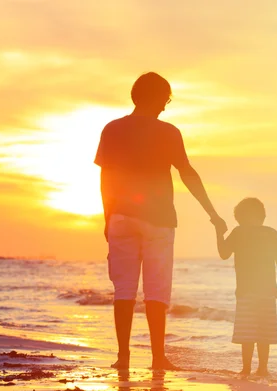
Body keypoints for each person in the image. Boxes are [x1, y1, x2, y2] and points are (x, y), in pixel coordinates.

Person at [94, 72, 227, 370]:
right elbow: (187, 173)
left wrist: (108, 217)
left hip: (121, 217)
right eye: (165, 100)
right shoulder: (168, 132)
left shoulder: (112, 129)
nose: (166, 107)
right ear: (155, 98)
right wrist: (212, 213)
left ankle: (123, 358)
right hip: (159, 219)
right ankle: (157, 358)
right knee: (156, 290)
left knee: (124, 289)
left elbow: (106, 179)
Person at [215, 197, 277, 378]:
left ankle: (247, 368)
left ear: (241, 216)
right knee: (264, 332)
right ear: (261, 215)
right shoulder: (270, 233)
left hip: (248, 291)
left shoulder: (240, 232)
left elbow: (223, 253)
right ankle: (261, 368)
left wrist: (218, 232)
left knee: (247, 332)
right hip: (266, 291)